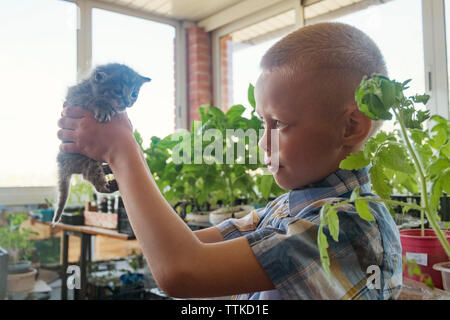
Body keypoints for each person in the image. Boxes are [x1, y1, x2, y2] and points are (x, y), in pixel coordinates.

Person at [57, 22, 402, 300]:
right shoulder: (283, 210)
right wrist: (119, 136)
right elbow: (176, 249)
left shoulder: (353, 227)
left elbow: (182, 271)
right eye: (261, 122)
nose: (264, 140)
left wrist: (121, 149)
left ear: (351, 127)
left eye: (279, 124)